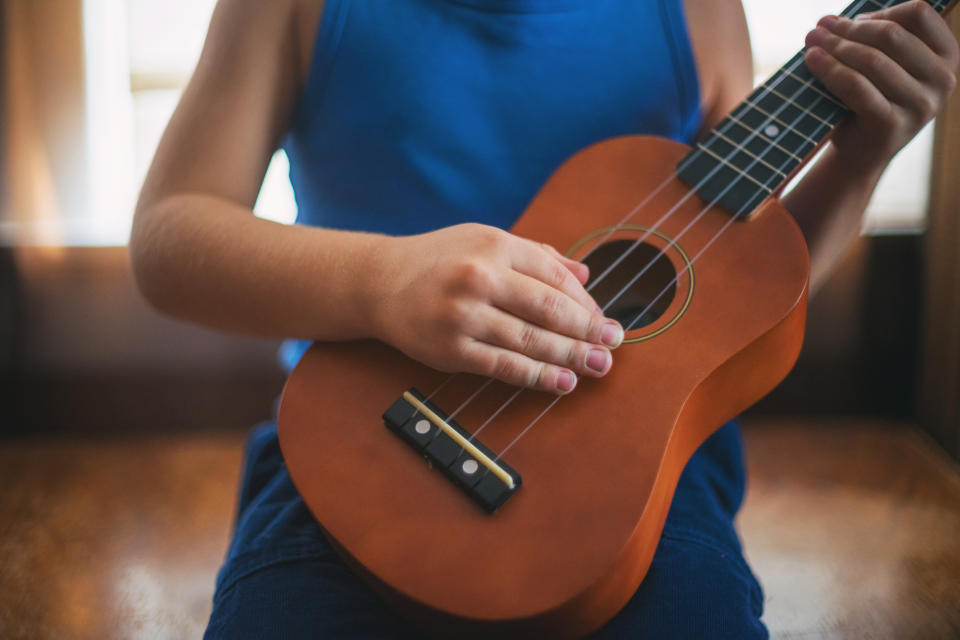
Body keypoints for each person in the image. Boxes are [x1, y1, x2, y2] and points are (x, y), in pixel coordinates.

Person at [129, 0, 958, 637]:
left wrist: (857, 160)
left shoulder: (696, 11)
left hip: (638, 477)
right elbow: (170, 234)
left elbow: (742, 283)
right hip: (356, 442)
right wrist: (381, 281)